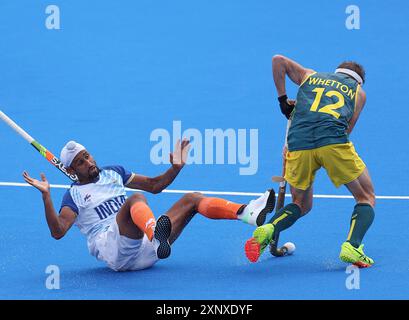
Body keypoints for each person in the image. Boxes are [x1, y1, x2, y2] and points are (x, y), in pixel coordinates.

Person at [23, 139, 276, 271]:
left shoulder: (114, 172)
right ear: (70, 170)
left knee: (192, 198)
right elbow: (58, 231)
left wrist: (175, 168)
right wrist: (47, 196)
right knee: (134, 200)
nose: (88, 161)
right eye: (80, 162)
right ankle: (157, 233)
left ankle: (247, 212)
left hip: (148, 248)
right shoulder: (73, 197)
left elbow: (156, 185)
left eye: (87, 155)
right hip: (115, 251)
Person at [244, 55, 375, 268]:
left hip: (298, 144)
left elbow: (278, 60)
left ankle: (268, 229)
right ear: (358, 80)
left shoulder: (310, 76)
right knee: (365, 196)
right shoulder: (358, 93)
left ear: (336, 72)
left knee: (300, 204)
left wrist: (283, 102)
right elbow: (346, 129)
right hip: (333, 144)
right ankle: (352, 246)